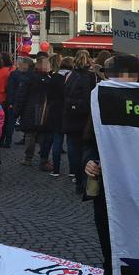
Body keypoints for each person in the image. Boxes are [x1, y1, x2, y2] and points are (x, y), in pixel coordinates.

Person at [83, 55, 139, 275]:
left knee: (136, 234)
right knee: (105, 231)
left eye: (126, 74)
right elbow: (86, 140)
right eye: (114, 74)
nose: (119, 79)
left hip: (137, 185)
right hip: (107, 184)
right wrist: (89, 161)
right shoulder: (98, 101)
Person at [63, 51, 97, 194]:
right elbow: (92, 96)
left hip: (70, 116)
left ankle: (77, 179)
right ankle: (83, 180)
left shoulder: (69, 75)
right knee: (85, 150)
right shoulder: (90, 76)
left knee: (73, 150)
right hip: (85, 118)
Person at [15, 56, 53, 169]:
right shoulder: (49, 79)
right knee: (42, 136)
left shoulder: (28, 77)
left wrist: (16, 111)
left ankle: (28, 158)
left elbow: (21, 95)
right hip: (44, 110)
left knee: (30, 135)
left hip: (30, 109)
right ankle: (44, 159)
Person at [46, 57, 73, 177]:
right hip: (70, 111)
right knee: (72, 143)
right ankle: (73, 171)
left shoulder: (54, 77)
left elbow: (49, 95)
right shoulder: (73, 77)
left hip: (56, 110)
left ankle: (56, 170)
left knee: (57, 141)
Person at [3, 57, 32, 147]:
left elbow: (10, 89)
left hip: (15, 101)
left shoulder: (14, 74)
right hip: (27, 102)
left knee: (10, 122)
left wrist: (10, 102)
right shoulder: (31, 75)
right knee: (26, 122)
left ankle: (7, 142)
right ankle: (25, 140)